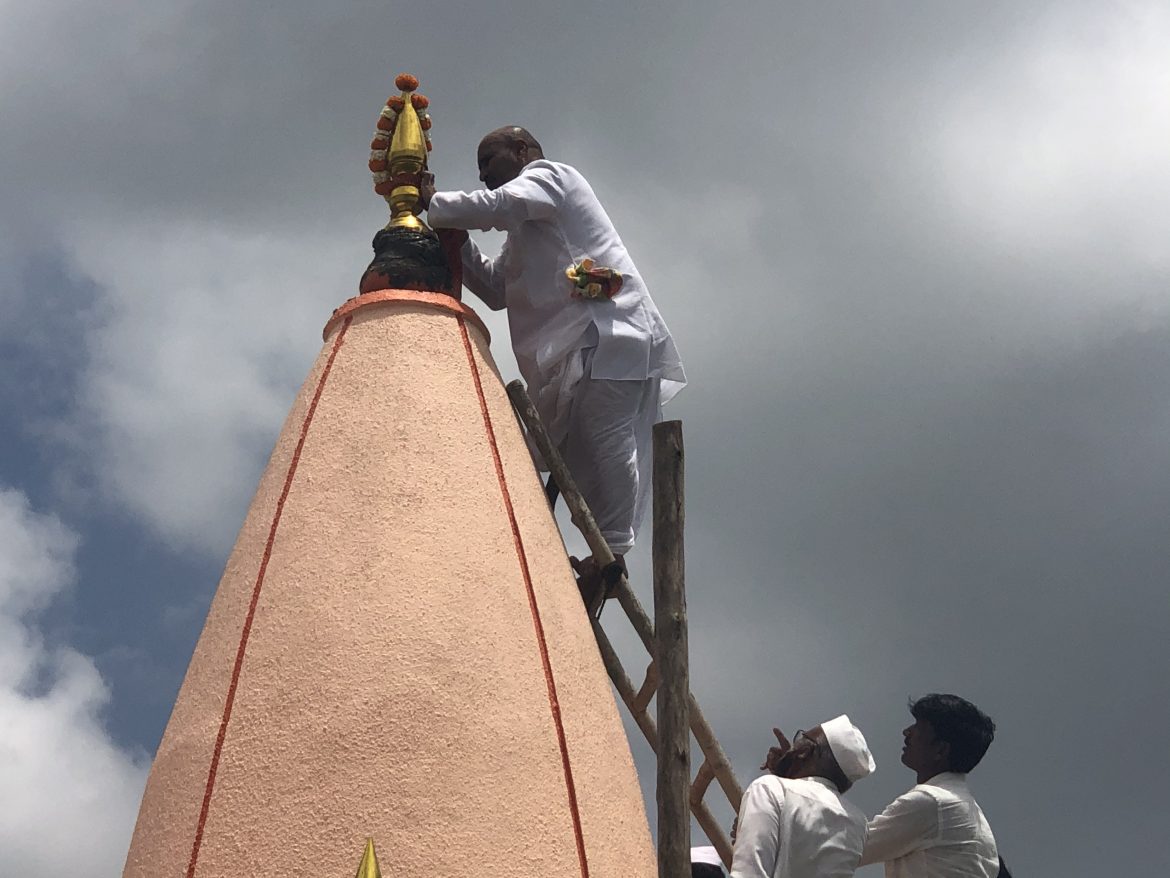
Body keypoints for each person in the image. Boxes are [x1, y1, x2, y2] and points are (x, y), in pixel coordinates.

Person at [420, 128, 685, 598]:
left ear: (522, 152)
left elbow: (498, 206)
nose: (483, 175)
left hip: (609, 337)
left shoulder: (551, 177)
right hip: (577, 351)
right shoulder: (524, 228)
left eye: (489, 161)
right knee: (585, 451)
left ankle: (611, 557)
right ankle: (600, 555)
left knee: (609, 444)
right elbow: (498, 290)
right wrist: (454, 238)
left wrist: (432, 201)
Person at [860, 694, 999, 878]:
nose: (906, 732)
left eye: (918, 728)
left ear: (940, 750)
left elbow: (847, 848)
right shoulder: (965, 809)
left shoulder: (932, 802)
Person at [732, 715, 875, 878]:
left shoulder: (769, 788)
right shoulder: (858, 824)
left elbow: (750, 874)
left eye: (801, 737)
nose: (794, 745)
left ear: (805, 752)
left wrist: (782, 777)